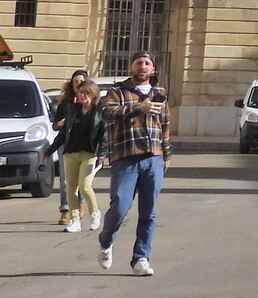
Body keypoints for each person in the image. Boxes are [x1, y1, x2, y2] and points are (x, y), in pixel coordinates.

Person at [96, 53, 171, 276]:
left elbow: (165, 124)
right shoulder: (118, 91)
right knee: (120, 206)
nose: (143, 66)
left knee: (149, 212)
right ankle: (106, 240)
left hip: (153, 158)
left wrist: (166, 154)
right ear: (131, 67)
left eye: (147, 63)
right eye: (139, 63)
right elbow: (106, 113)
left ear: (153, 69)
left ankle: (141, 258)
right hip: (125, 157)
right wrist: (139, 108)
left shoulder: (160, 93)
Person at [53, 72, 102, 233]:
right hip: (69, 150)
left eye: (82, 83)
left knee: (85, 186)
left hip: (89, 153)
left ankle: (94, 213)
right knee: (69, 186)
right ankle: (73, 218)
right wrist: (49, 150)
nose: (81, 93)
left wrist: (103, 154)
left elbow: (104, 133)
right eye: (76, 82)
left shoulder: (99, 109)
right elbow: (58, 129)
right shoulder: (69, 106)